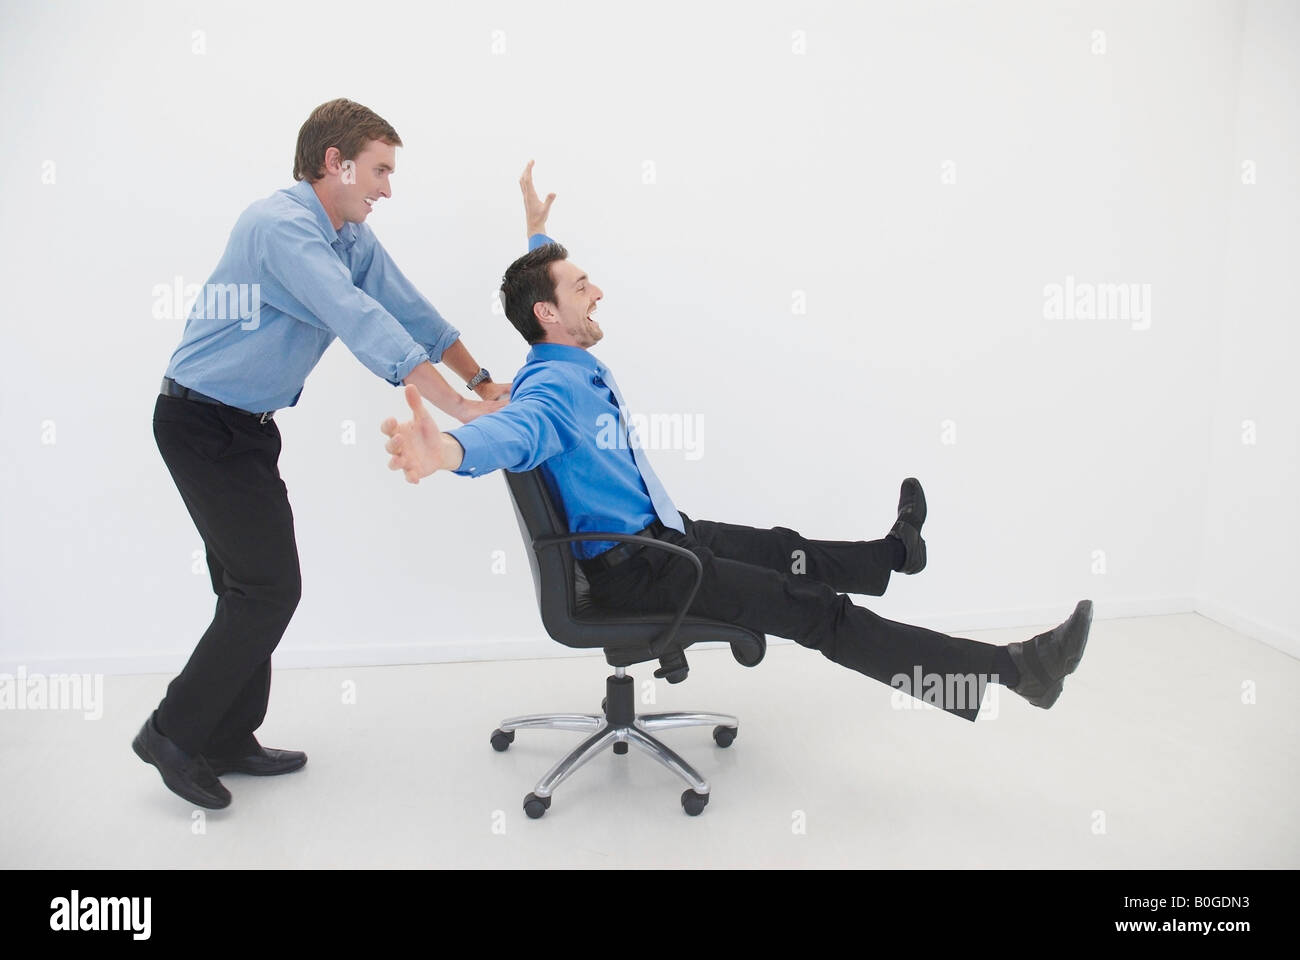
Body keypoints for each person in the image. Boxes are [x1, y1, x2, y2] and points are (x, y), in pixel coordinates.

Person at [380, 161, 1094, 725]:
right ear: (549, 313)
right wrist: (445, 450)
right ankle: (1015, 672)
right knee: (817, 610)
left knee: (787, 546)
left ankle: (896, 555)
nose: (597, 292)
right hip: (645, 567)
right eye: (581, 284)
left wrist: (537, 236)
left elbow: (537, 308)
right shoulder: (546, 393)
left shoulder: (550, 356)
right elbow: (513, 433)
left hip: (662, 536)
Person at [134, 99, 511, 810]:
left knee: (246, 588)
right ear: (334, 164)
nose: (387, 189)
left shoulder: (350, 236)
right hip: (198, 424)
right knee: (268, 589)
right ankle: (171, 734)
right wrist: (459, 410)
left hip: (244, 427)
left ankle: (227, 737)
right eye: (379, 171)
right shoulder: (279, 228)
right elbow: (360, 319)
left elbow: (409, 310)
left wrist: (482, 378)